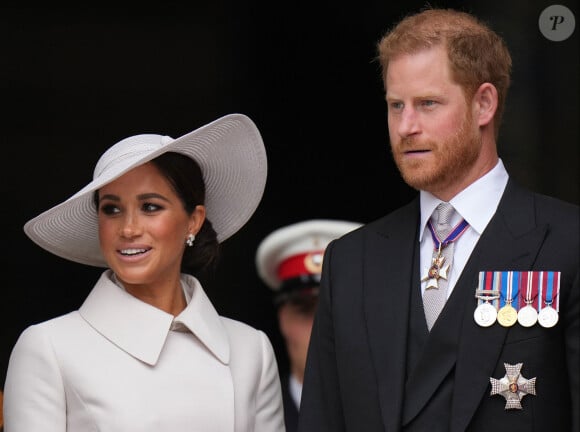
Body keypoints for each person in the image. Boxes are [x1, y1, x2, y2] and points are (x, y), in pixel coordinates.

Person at [297, 8, 579, 432]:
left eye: (428, 103)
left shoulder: (568, 240)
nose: (405, 126)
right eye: (396, 106)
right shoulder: (349, 262)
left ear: (484, 103)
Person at [3, 113, 285, 432]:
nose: (128, 228)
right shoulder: (48, 347)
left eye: (150, 207)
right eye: (112, 208)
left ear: (193, 220)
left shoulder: (252, 350)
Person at [255, 219, 362, 432]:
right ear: (283, 318)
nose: (322, 327)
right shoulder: (250, 416)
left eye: (340, 310)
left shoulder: (398, 413)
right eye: (305, 310)